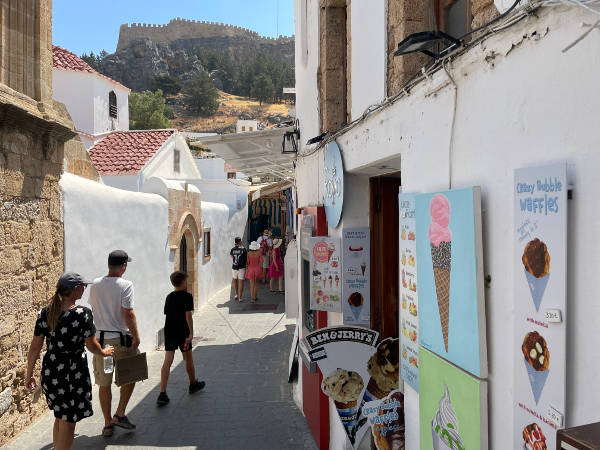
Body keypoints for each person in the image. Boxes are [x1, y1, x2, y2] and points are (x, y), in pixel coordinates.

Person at [25, 272, 114, 450]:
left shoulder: (46, 313)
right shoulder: (83, 314)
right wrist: (104, 352)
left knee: (60, 416)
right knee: (68, 420)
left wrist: (29, 375)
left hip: (51, 372)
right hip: (72, 373)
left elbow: (34, 348)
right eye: (84, 286)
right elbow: (91, 345)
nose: (84, 289)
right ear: (75, 289)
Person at [88, 250, 140, 437]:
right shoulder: (125, 285)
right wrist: (136, 336)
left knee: (104, 383)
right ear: (123, 266)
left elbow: (94, 309)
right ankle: (120, 413)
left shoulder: (94, 285)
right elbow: (129, 314)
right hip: (121, 341)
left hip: (102, 344)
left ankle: (108, 423)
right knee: (132, 375)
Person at [157, 271, 205, 406]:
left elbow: (168, 314)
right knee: (188, 358)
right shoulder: (187, 297)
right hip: (183, 333)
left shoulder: (169, 297)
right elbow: (188, 316)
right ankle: (192, 383)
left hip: (170, 331)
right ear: (183, 282)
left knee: (168, 361)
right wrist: (191, 333)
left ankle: (162, 393)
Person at [230, 237, 247, 302]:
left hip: (234, 267)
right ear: (240, 242)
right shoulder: (243, 249)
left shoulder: (232, 249)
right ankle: (240, 297)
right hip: (241, 267)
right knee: (241, 282)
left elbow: (232, 257)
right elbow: (246, 258)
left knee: (235, 280)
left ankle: (236, 294)